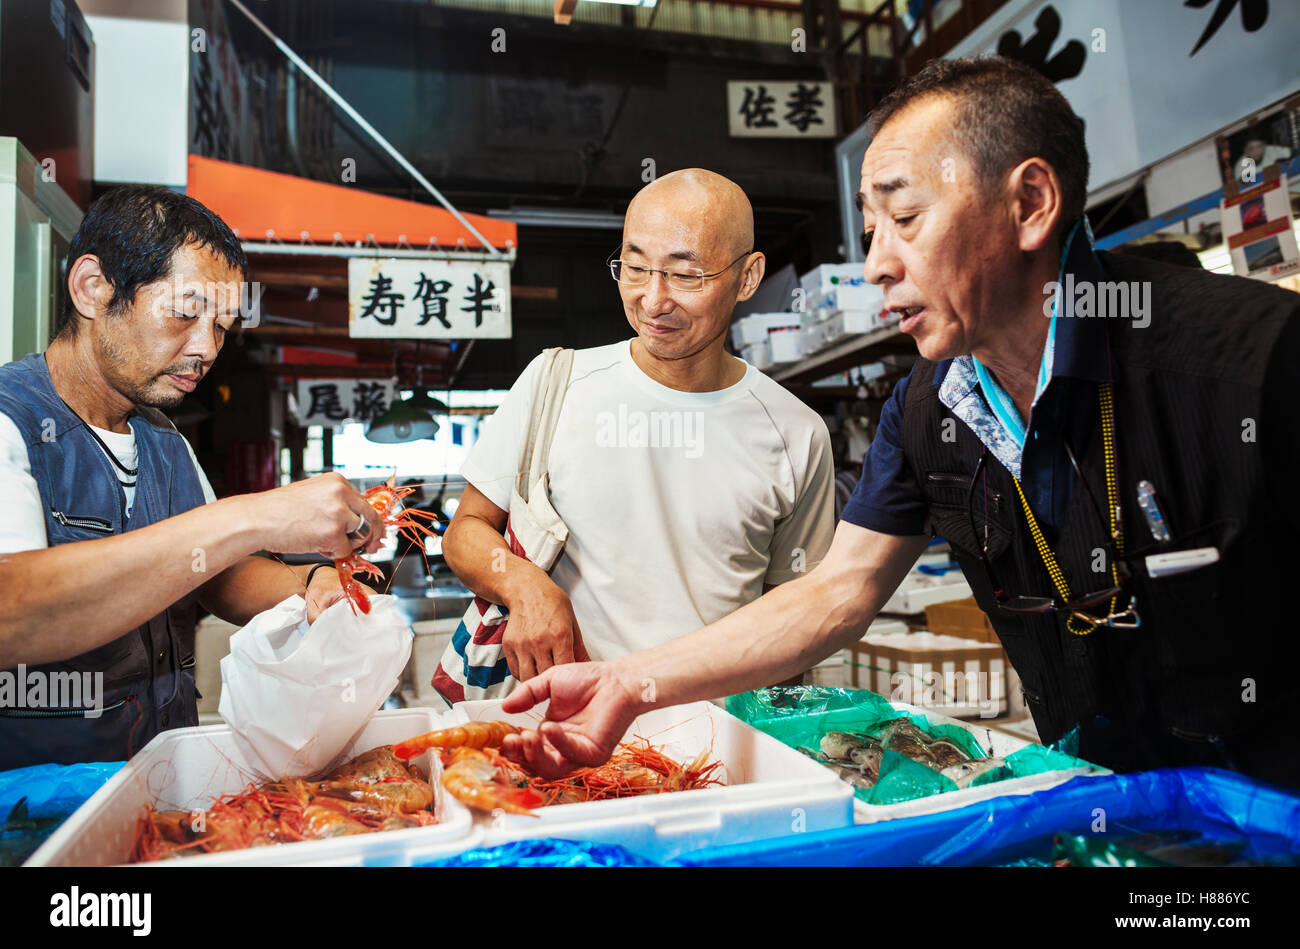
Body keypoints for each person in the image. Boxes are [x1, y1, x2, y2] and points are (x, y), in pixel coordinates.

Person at [497, 57, 1300, 791]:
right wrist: (627, 683)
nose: (877, 261)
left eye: (905, 218)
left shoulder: (1255, 365)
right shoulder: (928, 407)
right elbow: (836, 592)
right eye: (871, 227)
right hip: (1097, 807)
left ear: (1029, 204)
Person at [0, 186, 387, 770]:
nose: (205, 348)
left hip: (161, 777)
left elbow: (214, 576)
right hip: (32, 807)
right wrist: (255, 514)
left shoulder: (164, 441)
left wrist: (310, 587)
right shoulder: (13, 420)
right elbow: (12, 611)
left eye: (223, 328)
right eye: (184, 312)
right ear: (92, 289)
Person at [433, 168, 834, 700]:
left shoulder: (795, 433)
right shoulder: (556, 381)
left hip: (718, 737)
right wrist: (522, 584)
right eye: (635, 267)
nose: (652, 298)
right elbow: (465, 531)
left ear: (749, 277)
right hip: (563, 720)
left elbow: (795, 617)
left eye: (686, 275)